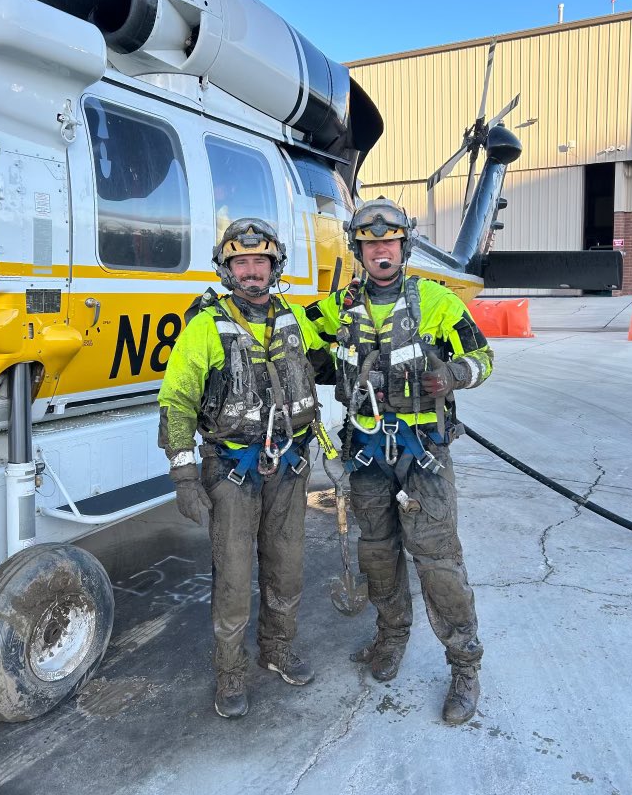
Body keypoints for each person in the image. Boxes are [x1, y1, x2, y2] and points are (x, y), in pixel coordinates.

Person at [306, 198, 493, 725]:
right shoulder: (337, 307)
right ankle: (390, 638)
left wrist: (454, 376)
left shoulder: (436, 301)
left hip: (423, 454)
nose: (380, 251)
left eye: (389, 242)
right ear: (358, 250)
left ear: (403, 246)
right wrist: (223, 311)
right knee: (378, 554)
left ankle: (465, 666)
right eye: (370, 244)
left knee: (437, 560)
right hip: (366, 453)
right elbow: (286, 326)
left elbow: (484, 357)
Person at [158, 218, 333, 720]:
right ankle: (230, 672)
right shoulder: (204, 326)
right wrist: (185, 476)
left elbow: (326, 365)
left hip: (290, 465)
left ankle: (277, 650)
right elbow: (175, 403)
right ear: (227, 268)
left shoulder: (293, 320)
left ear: (274, 267)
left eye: (261, 262)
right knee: (234, 577)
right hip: (232, 470)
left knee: (287, 567)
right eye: (242, 263)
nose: (252, 271)